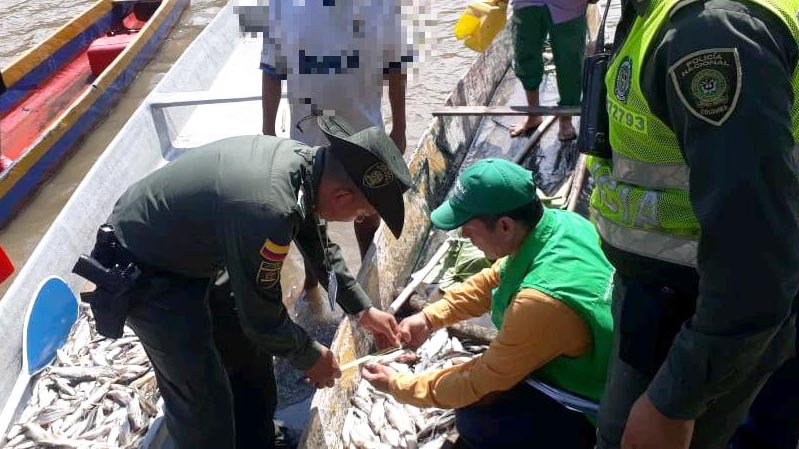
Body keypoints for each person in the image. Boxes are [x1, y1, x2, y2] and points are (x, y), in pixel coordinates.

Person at [74, 116, 411, 449]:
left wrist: (363, 310)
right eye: (363, 213)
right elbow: (261, 317)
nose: (361, 220)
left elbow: (321, 250)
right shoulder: (269, 208)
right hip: (147, 266)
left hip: (201, 251)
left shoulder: (307, 171)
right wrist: (310, 356)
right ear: (341, 197)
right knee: (203, 401)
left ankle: (258, 440)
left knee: (250, 359)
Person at [587, 0, 799, 447]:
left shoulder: (712, 34)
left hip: (699, 317)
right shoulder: (656, 13)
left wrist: (675, 399)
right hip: (673, 303)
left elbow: (754, 258)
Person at [361, 159, 615, 449]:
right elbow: (492, 280)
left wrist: (397, 386)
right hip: (601, 364)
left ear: (505, 226)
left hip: (597, 405)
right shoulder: (563, 223)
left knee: (477, 420)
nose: (464, 237)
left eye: (468, 229)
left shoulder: (540, 303)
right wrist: (430, 318)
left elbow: (478, 382)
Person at [260, 0, 411, 295]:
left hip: (362, 132)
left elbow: (397, 66)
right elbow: (271, 70)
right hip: (306, 136)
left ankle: (369, 280)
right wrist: (267, 130)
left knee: (367, 211)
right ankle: (312, 282)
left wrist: (400, 128)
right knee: (308, 216)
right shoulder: (283, 4)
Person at [508, 0, 588, 140]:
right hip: (526, 3)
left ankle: (566, 119)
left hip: (569, 5)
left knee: (570, 62)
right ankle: (533, 114)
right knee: (525, 56)